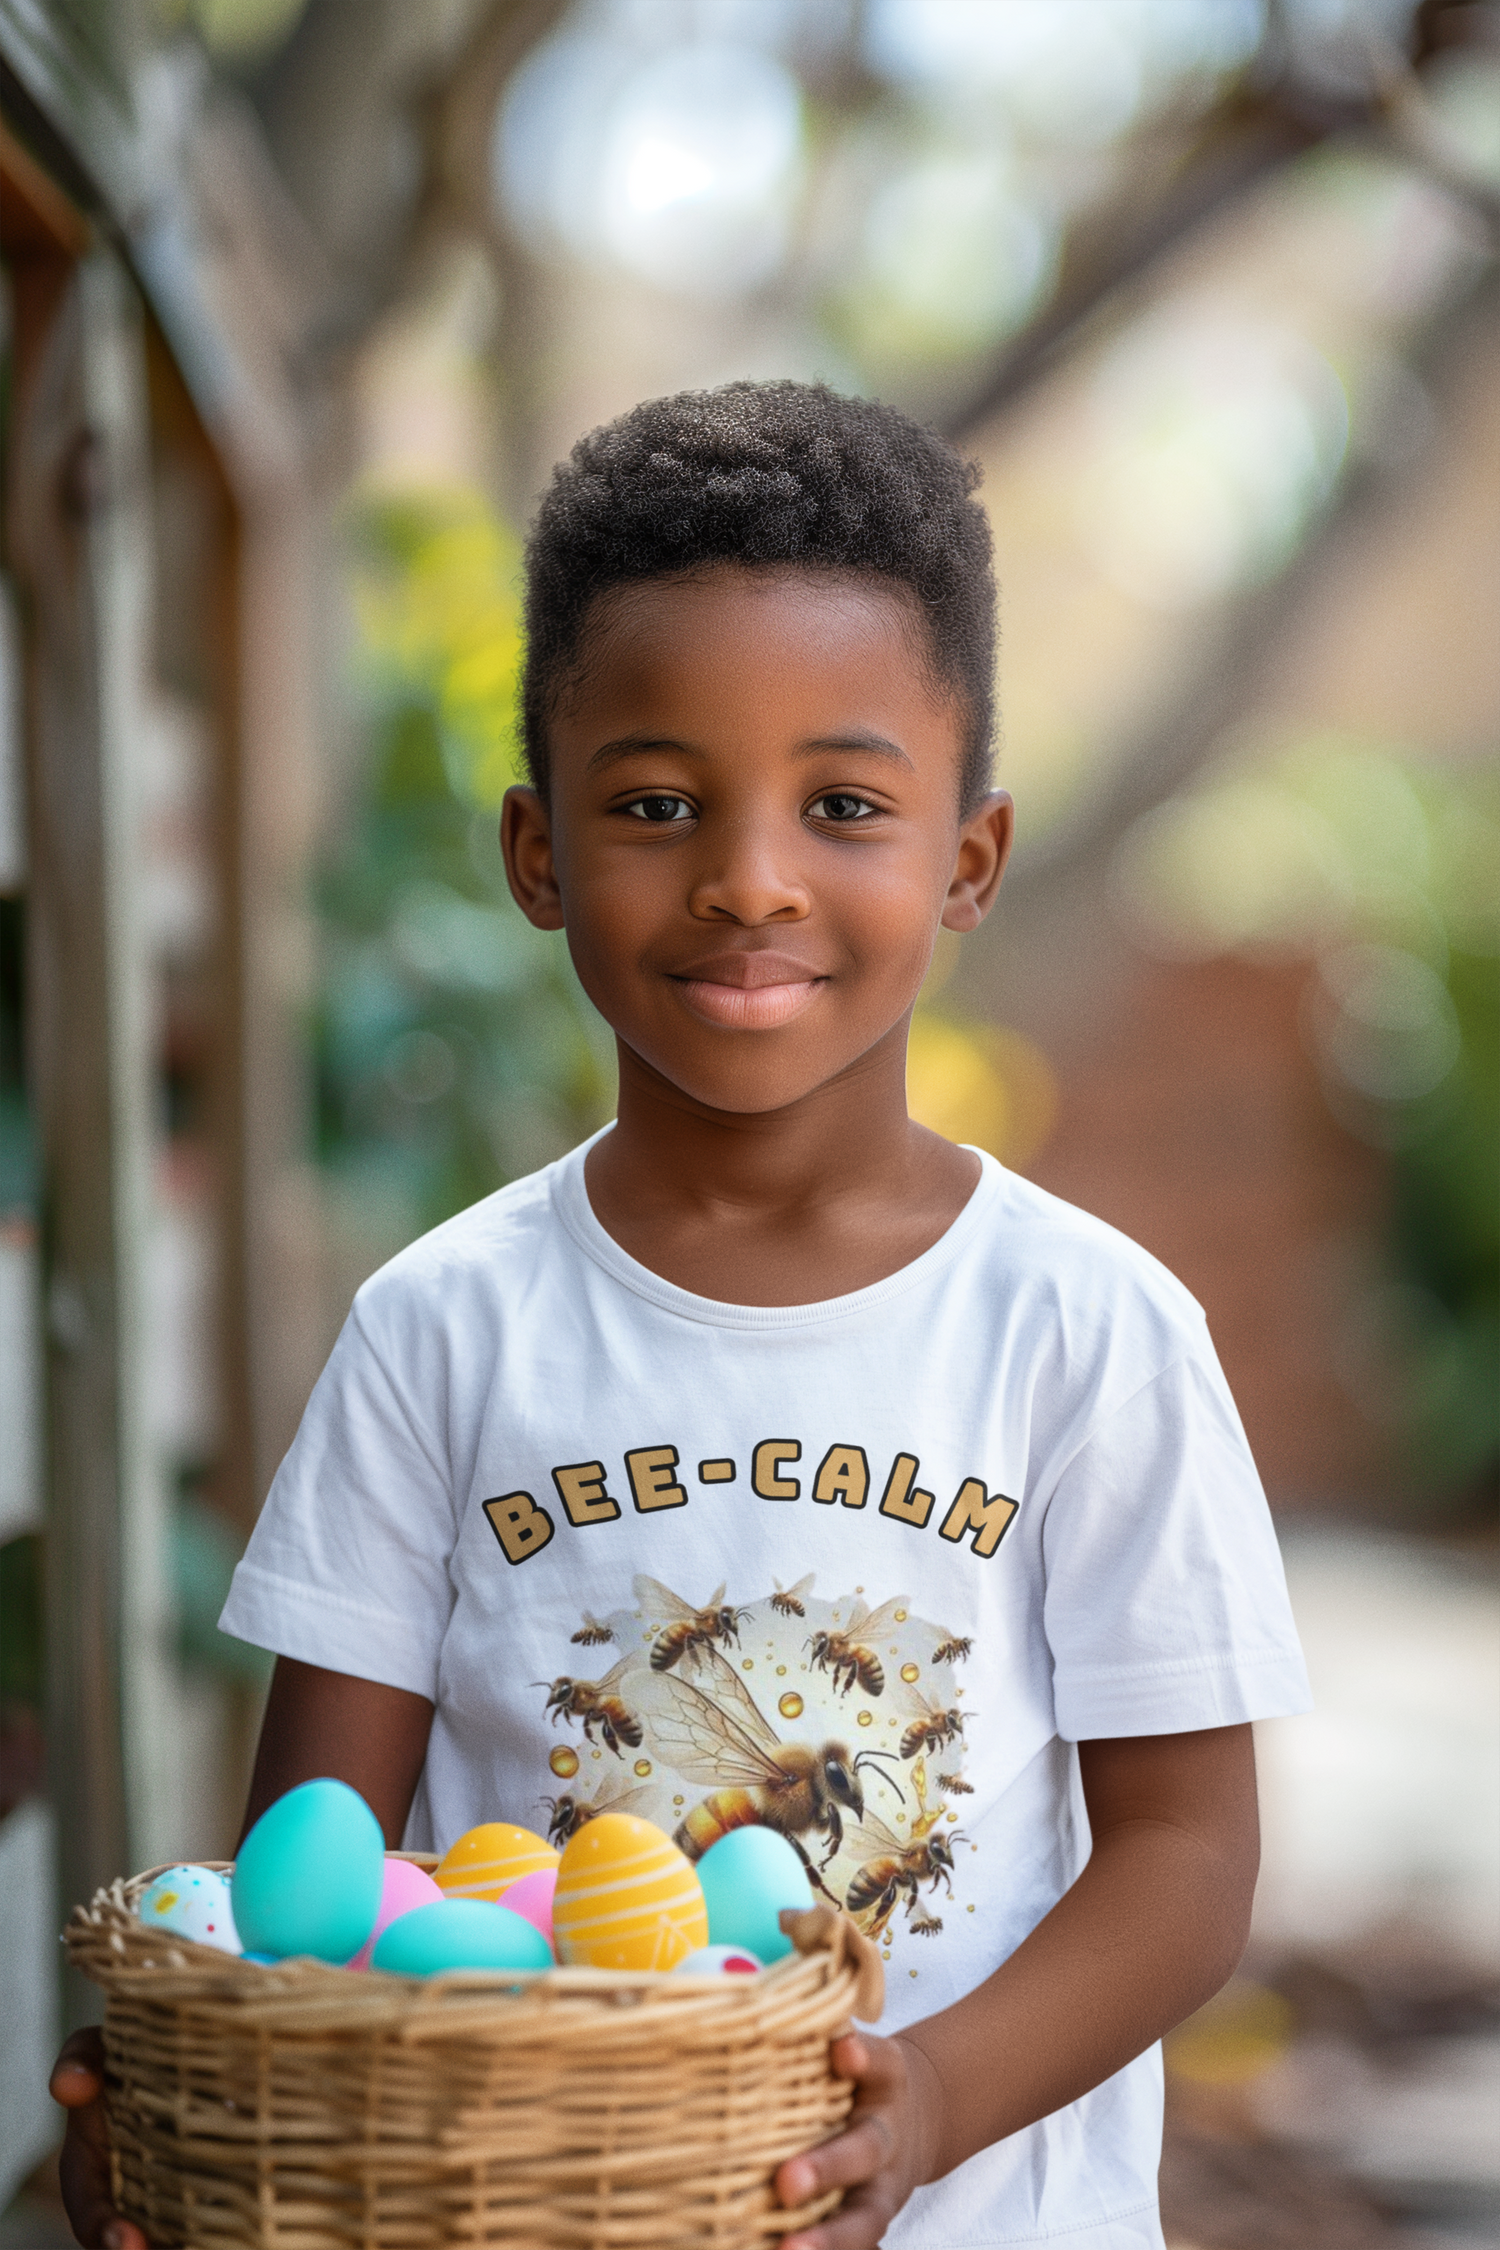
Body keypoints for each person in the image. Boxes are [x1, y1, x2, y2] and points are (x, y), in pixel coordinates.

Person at [52, 380, 1310, 2250]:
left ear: (966, 859)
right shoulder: (444, 1328)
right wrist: (197, 2092)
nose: (748, 876)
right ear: (537, 850)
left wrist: (935, 2093)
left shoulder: (1087, 1329)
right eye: (656, 802)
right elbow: (313, 1882)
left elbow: (1191, 1862)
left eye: (846, 803)